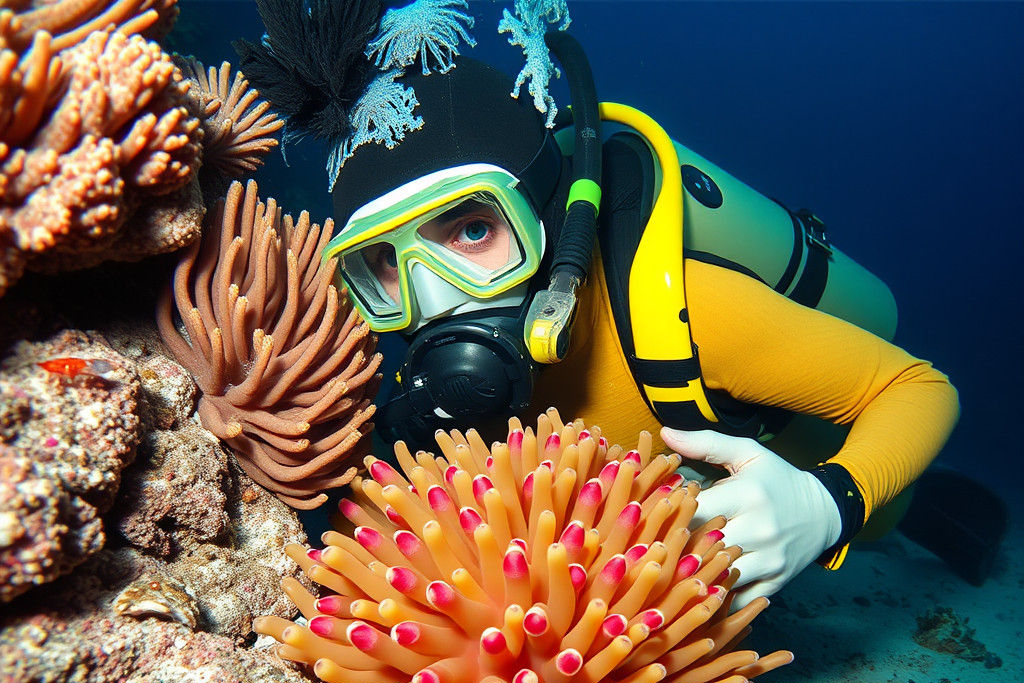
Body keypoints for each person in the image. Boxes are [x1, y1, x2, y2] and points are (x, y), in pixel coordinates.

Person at [238, 0, 1002, 607]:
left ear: (545, 213)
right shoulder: (408, 379)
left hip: (809, 462)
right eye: (383, 266)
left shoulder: (681, 311)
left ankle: (932, 515)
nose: (435, 299)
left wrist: (829, 503)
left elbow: (919, 387)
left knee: (894, 521)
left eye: (472, 229)